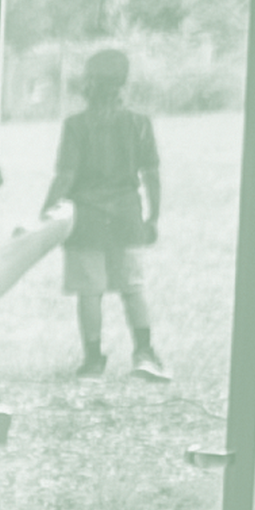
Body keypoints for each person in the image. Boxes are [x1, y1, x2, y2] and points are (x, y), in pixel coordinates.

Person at [41, 48, 165, 382]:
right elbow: (151, 174)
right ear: (123, 85)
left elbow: (66, 175)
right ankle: (144, 353)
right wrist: (153, 217)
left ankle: (93, 360)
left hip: (87, 216)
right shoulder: (139, 123)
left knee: (90, 291)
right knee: (133, 287)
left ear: (88, 85)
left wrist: (46, 210)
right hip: (127, 213)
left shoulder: (76, 125)